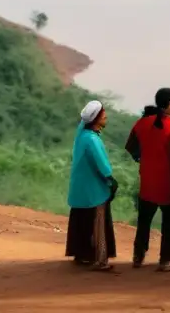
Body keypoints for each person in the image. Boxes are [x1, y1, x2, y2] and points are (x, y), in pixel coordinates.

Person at [125, 87, 170, 272]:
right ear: (165, 105)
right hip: (169, 183)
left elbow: (131, 146)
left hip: (148, 181)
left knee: (144, 220)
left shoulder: (142, 123)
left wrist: (142, 159)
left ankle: (138, 255)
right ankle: (167, 260)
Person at [66, 100, 118, 271]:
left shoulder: (81, 135)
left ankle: (82, 255)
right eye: (103, 115)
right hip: (94, 190)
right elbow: (101, 164)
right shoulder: (91, 139)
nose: (106, 117)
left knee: (81, 222)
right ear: (95, 118)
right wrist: (111, 180)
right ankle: (100, 260)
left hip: (80, 188)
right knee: (99, 224)